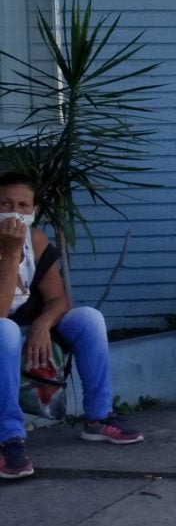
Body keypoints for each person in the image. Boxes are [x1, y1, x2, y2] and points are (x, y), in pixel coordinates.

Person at [0, 172, 144, 481]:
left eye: (23, 205)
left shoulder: (36, 241)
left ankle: (99, 417)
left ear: (34, 210)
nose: (15, 211)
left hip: (29, 329)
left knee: (88, 318)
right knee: (5, 330)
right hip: (3, 333)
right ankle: (8, 439)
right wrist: (10, 253)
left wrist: (42, 323)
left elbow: (58, 300)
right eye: (5, 204)